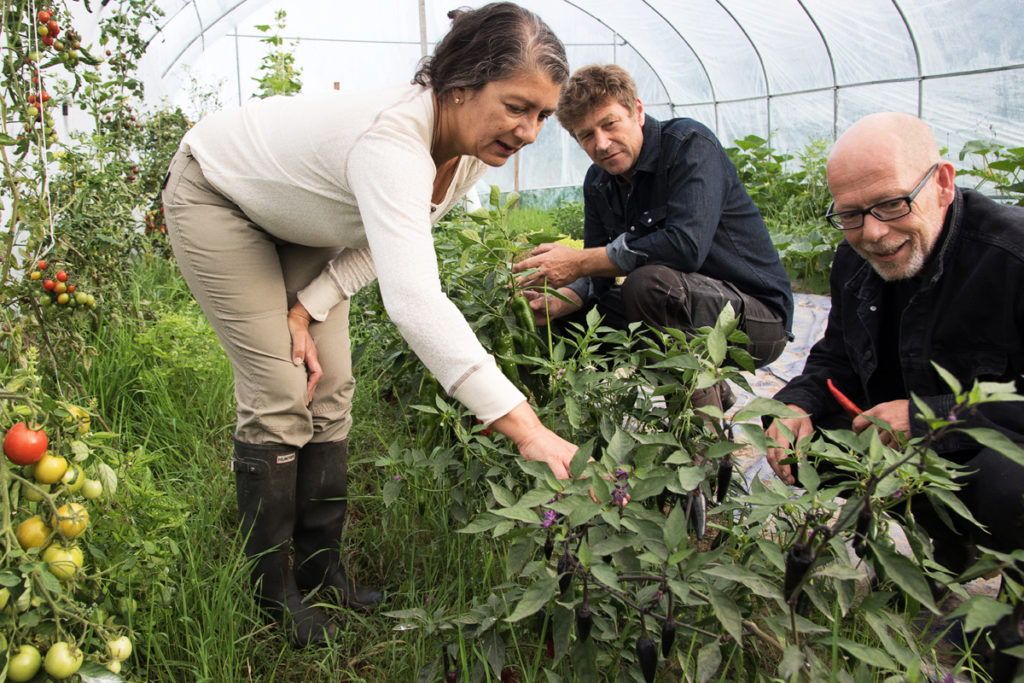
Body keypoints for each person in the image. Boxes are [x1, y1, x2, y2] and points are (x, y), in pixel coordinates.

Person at [161, 2, 577, 647]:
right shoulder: (390, 141)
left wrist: (309, 304)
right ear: (460, 86)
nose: (528, 132)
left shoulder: (466, 152)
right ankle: (273, 594)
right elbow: (415, 301)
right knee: (279, 393)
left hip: (301, 217)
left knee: (330, 391)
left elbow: (380, 243)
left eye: (543, 116)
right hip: (220, 195)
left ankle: (322, 571)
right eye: (517, 106)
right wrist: (527, 429)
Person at [765, 112, 1024, 621]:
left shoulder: (1010, 258)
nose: (874, 233)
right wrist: (796, 403)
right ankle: (940, 552)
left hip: (995, 441)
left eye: (892, 204)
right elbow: (836, 351)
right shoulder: (852, 259)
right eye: (851, 214)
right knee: (811, 444)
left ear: (943, 184)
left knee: (1008, 486)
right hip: (911, 438)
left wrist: (928, 417)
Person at [512, 64, 794, 410]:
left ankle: (702, 445)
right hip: (679, 307)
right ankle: (581, 424)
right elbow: (594, 276)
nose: (601, 143)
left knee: (648, 285)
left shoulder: (689, 146)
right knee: (570, 316)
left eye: (610, 124)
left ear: (638, 112)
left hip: (754, 320)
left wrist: (577, 262)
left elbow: (685, 247)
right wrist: (563, 297)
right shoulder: (599, 182)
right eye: (586, 135)